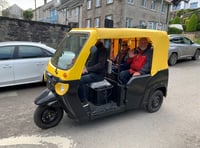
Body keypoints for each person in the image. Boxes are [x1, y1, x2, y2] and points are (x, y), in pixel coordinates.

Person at [78, 40, 107, 106]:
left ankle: (84, 101)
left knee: (80, 80)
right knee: (76, 76)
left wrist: (87, 69)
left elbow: (100, 65)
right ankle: (80, 96)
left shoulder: (102, 50)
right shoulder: (94, 48)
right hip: (92, 71)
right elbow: (88, 59)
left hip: (98, 74)